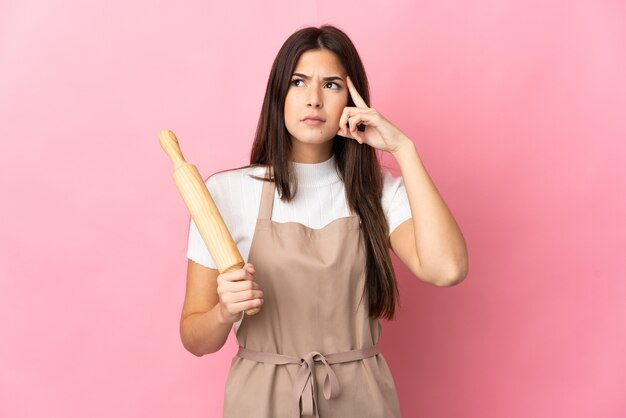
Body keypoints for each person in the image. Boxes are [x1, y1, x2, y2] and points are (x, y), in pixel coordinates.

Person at [180, 24, 468, 418]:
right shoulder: (227, 194)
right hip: (260, 402)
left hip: (361, 402)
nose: (313, 99)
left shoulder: (377, 192)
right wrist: (223, 313)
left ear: (352, 100)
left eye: (331, 85)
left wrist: (404, 149)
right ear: (278, 94)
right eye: (298, 82)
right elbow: (195, 339)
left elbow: (447, 268)